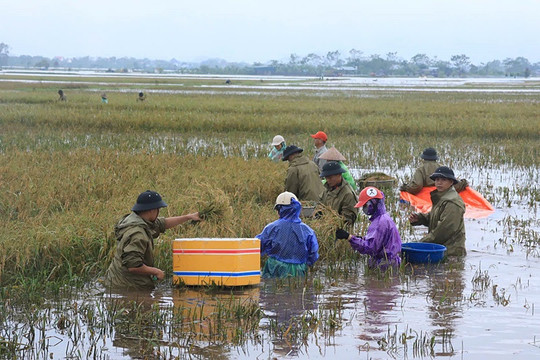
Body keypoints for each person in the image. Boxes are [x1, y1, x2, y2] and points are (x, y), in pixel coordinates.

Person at [105, 190, 201, 289]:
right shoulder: (138, 234)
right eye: (158, 209)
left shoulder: (135, 220)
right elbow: (133, 265)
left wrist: (188, 217)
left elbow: (162, 223)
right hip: (127, 286)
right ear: (152, 210)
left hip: (116, 281)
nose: (158, 213)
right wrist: (156, 271)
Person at [256, 192, 319, 278]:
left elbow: (258, 246)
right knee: (297, 290)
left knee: (273, 289)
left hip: (275, 269)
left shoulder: (272, 228)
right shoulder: (308, 231)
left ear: (280, 210)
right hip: (299, 271)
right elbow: (313, 254)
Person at [336, 187, 401, 268]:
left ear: (372, 203)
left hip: (385, 265)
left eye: (365, 205)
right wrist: (360, 238)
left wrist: (349, 237)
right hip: (388, 262)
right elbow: (376, 242)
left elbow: (371, 248)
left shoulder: (381, 222)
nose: (364, 209)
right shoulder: (382, 218)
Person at [408, 166, 466, 256]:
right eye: (437, 179)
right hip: (441, 248)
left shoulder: (453, 202)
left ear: (451, 182)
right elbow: (435, 217)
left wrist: (421, 244)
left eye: (443, 179)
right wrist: (420, 219)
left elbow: (445, 229)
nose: (439, 182)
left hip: (451, 252)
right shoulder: (442, 197)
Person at [319, 161, 358, 227]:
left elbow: (347, 220)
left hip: (339, 233)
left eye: (330, 177)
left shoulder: (348, 194)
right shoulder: (328, 188)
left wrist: (330, 223)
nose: (327, 180)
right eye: (326, 178)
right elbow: (321, 204)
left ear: (339, 175)